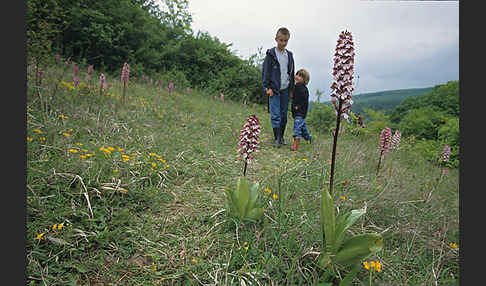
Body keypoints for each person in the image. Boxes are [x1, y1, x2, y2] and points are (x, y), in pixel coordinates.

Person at [262, 27, 295, 148]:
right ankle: (276, 138)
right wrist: (267, 87)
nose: (283, 43)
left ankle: (281, 137)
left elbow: (291, 72)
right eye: (281, 40)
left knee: (284, 114)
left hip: (285, 89)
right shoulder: (271, 54)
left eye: (286, 40)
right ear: (276, 39)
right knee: (275, 114)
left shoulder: (289, 55)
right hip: (274, 89)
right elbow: (265, 72)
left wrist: (292, 89)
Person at [290, 68, 312, 151]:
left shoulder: (303, 89)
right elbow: (294, 96)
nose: (297, 77)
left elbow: (304, 100)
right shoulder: (296, 87)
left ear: (304, 79)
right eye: (297, 74)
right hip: (295, 112)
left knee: (297, 128)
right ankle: (309, 138)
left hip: (300, 112)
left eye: (300, 76)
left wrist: (298, 106)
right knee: (303, 129)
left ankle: (295, 145)